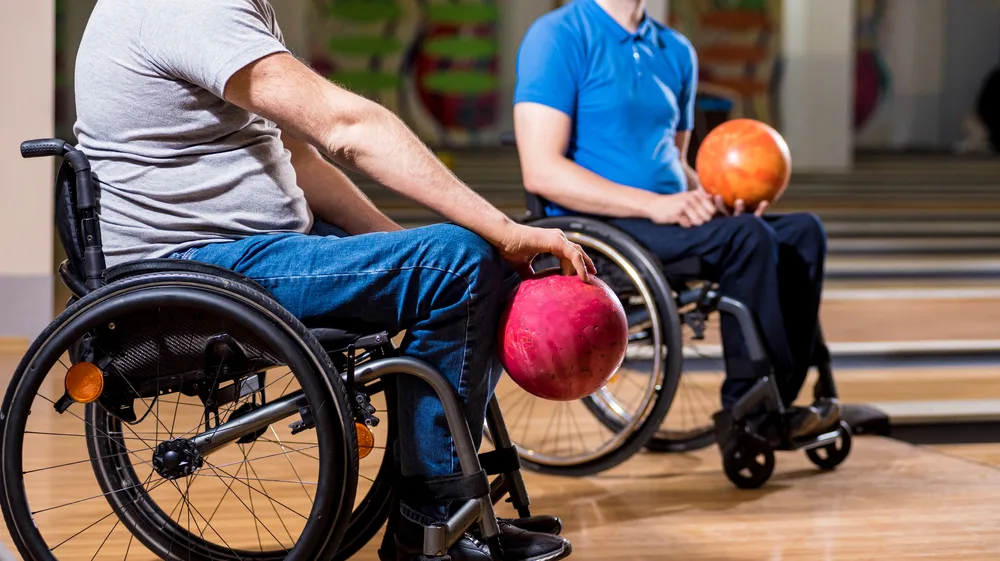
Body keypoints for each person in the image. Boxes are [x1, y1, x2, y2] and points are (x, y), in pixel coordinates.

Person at [74, 1, 589, 560]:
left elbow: (301, 160)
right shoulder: (191, 8)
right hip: (204, 268)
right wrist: (500, 233)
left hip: (243, 251)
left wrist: (404, 252)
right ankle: (431, 523)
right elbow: (347, 128)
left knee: (454, 265)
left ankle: (451, 511)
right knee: (465, 260)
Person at [513, 0, 840, 436]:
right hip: (600, 229)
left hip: (666, 220)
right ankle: (752, 413)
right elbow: (542, 170)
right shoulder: (558, 35)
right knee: (747, 239)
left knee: (803, 232)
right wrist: (653, 205)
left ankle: (783, 395)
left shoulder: (675, 48)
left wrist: (716, 197)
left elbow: (675, 163)